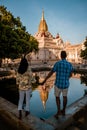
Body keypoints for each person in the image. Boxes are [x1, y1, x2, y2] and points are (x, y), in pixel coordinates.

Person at [41, 51, 74, 118]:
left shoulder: (57, 63)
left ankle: (58, 111)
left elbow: (51, 73)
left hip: (58, 84)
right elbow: (71, 74)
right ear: (66, 56)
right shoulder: (69, 64)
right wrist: (66, 78)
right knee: (65, 97)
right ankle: (64, 110)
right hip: (65, 84)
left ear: (61, 56)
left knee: (57, 97)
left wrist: (45, 80)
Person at [16, 55, 33, 120]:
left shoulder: (19, 69)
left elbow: (17, 79)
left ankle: (20, 113)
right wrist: (34, 81)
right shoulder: (28, 69)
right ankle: (26, 112)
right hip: (28, 87)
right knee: (27, 100)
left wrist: (18, 83)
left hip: (21, 87)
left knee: (21, 100)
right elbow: (32, 78)